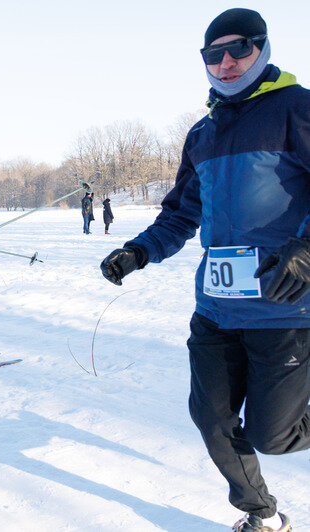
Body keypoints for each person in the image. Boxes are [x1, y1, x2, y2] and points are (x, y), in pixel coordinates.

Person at [100, 8, 307, 532]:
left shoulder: (296, 109)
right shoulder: (203, 132)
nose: (228, 62)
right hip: (215, 309)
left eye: (240, 48)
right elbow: (181, 213)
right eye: (214, 54)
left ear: (263, 48)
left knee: (273, 435)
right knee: (212, 420)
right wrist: (140, 251)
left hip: (285, 306)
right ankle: (262, 513)